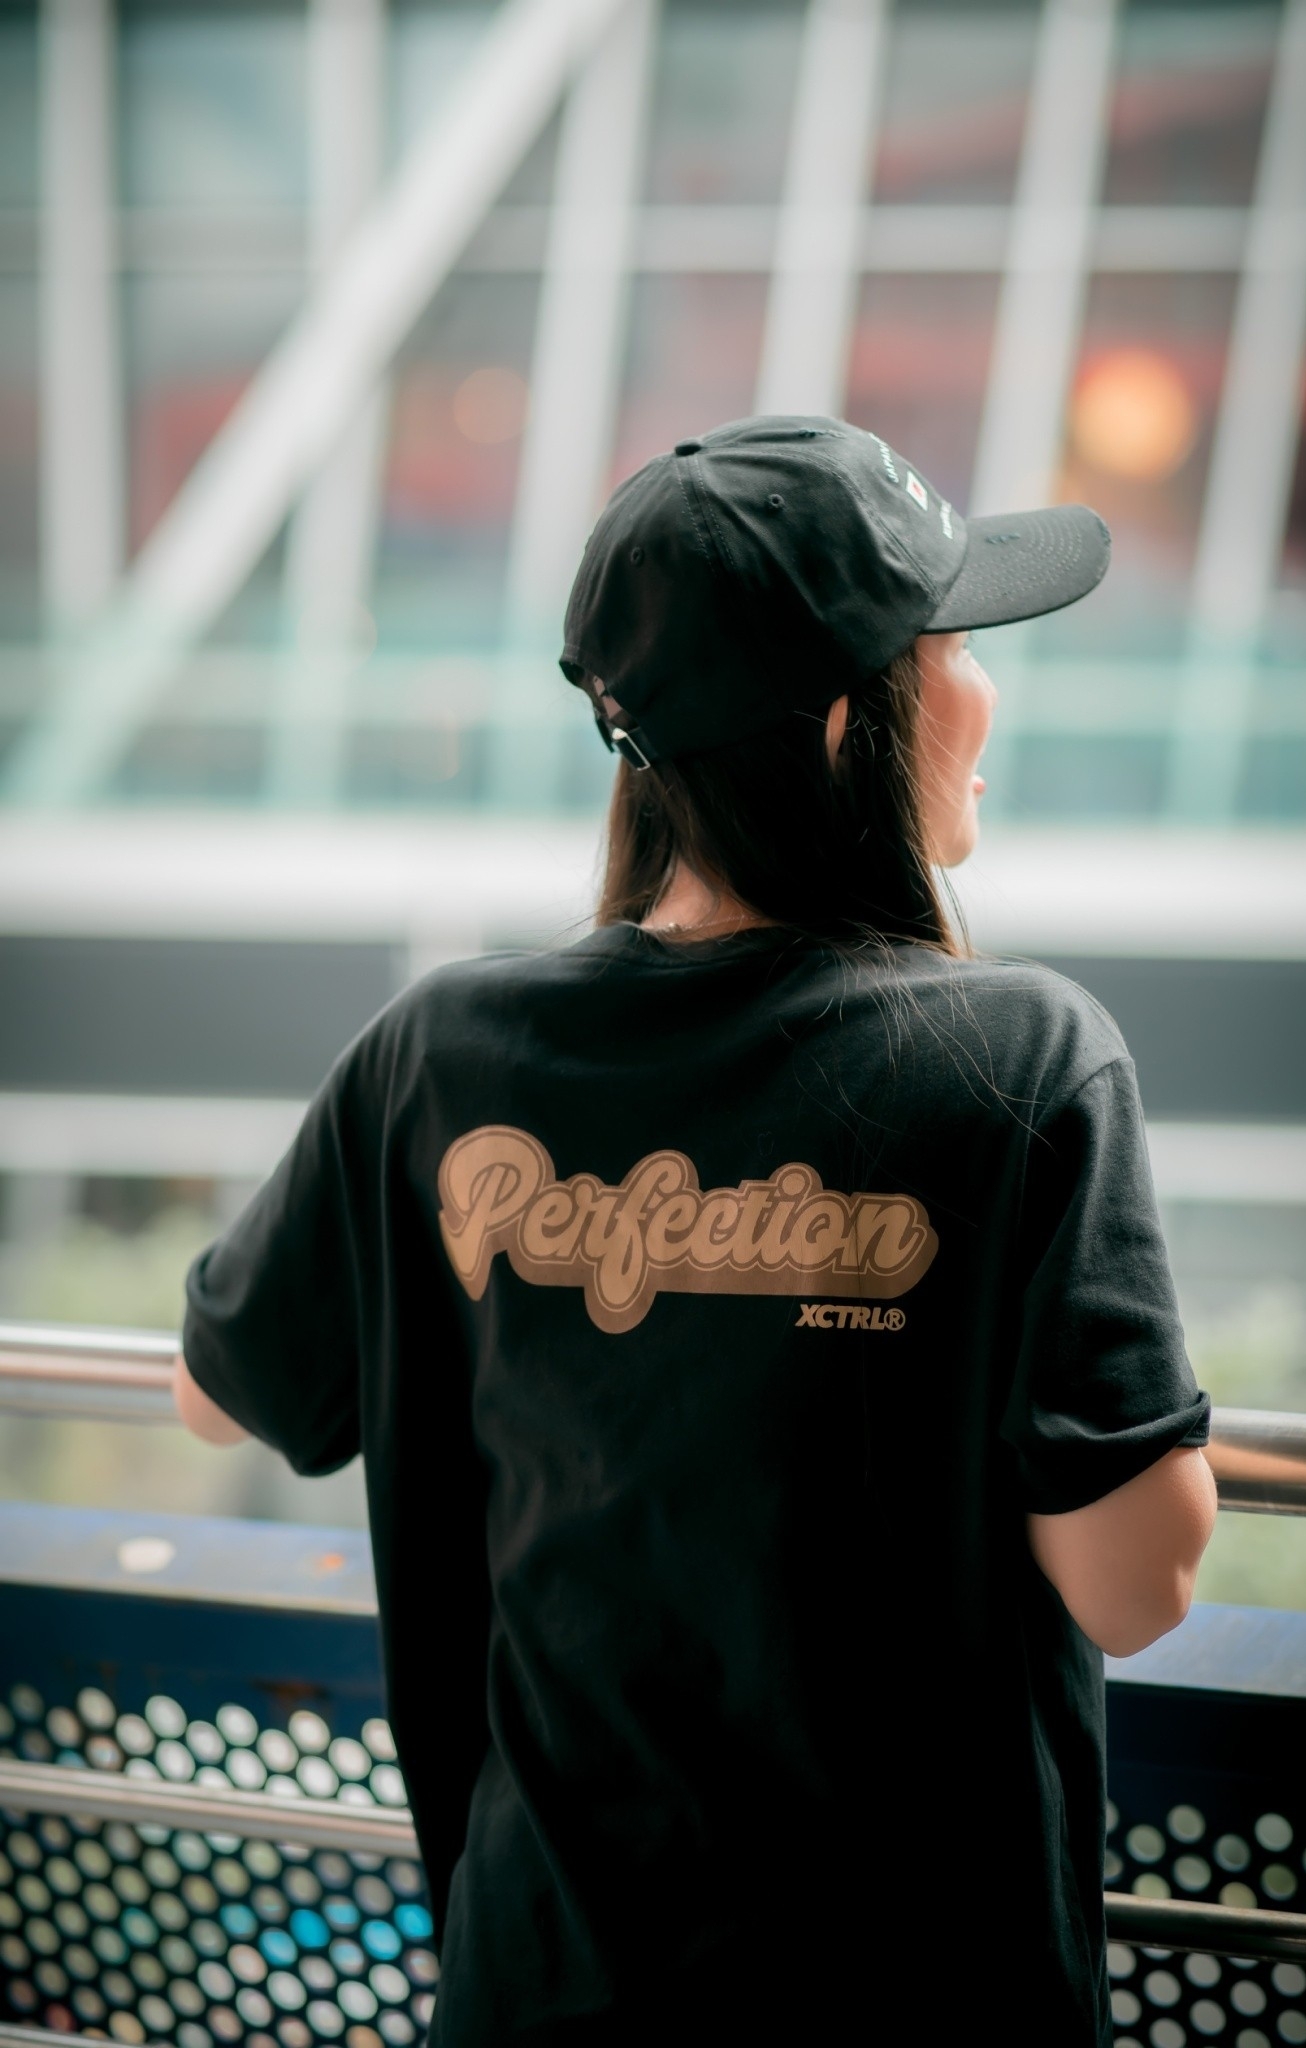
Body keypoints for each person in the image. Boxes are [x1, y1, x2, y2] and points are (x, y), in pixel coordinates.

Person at [176, 415, 1217, 2046]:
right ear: (844, 723)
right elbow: (1137, 1585)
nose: (981, 693)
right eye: (948, 648)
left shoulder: (438, 1055)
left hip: (539, 1989)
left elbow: (221, 1391)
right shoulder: (1021, 1059)